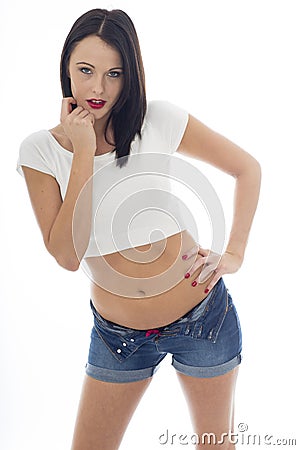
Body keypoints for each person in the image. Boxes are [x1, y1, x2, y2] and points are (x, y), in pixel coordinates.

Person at [16, 8, 261, 450]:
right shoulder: (40, 151)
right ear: (65, 66)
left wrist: (234, 254)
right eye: (85, 70)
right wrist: (84, 152)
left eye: (114, 74)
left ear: (131, 75)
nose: (97, 88)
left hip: (205, 317)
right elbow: (67, 256)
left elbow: (247, 168)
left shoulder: (157, 120)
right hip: (117, 336)